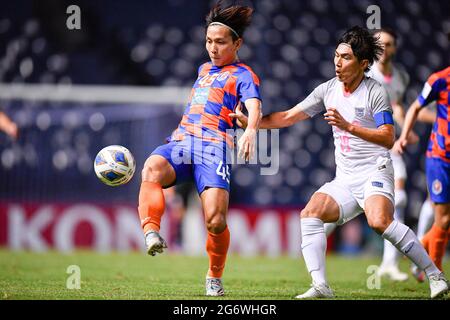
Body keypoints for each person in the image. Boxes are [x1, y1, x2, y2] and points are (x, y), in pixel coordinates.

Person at [231, 26, 449, 299]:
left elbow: (388, 137)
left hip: (375, 171)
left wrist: (348, 126)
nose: (337, 62)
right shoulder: (328, 90)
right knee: (310, 214)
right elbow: (287, 117)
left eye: (345, 57)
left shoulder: (375, 91)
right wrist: (252, 123)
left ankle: (434, 275)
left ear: (363, 63)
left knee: (379, 221)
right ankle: (321, 286)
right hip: (345, 178)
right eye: (336, 55)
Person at [137, 2, 262, 297]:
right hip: (182, 143)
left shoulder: (244, 75)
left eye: (220, 42)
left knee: (216, 221)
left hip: (214, 149)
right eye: (209, 41)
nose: (213, 48)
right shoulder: (203, 69)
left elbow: (254, 105)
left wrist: (251, 130)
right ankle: (151, 231)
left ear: (237, 43)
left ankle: (214, 277)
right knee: (151, 168)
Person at [394, 66, 450, 283]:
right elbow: (416, 107)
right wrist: (404, 136)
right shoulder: (439, 80)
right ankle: (436, 275)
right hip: (440, 157)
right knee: (443, 218)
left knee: (445, 220)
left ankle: (419, 256)